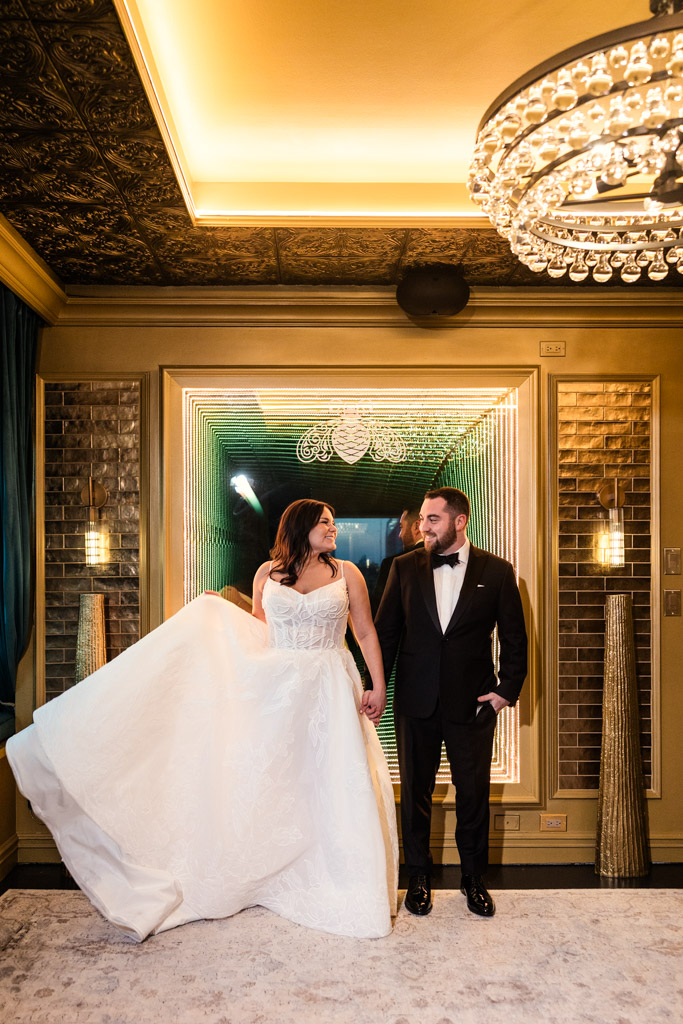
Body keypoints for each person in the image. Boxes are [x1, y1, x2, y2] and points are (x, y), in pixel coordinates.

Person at [7, 499, 398, 940]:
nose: (334, 530)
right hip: (278, 694)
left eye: (334, 522)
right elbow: (258, 630)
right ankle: (271, 871)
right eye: (326, 523)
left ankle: (340, 877)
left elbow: (364, 631)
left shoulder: (347, 573)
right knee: (279, 783)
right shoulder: (267, 574)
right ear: (300, 526)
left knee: (332, 781)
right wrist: (219, 613)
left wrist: (377, 685)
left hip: (330, 684)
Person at [375, 486, 527, 919]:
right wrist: (377, 688)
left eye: (433, 519)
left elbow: (514, 637)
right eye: (422, 519)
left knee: (474, 794)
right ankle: (418, 876)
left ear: (459, 521)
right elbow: (386, 634)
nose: (422, 526)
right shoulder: (402, 568)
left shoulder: (497, 571)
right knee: (415, 794)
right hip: (415, 701)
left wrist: (504, 691)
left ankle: (473, 878)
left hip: (474, 704)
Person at [370, 506, 423, 617]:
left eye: (401, 527)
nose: (400, 535)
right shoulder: (451, 558)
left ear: (417, 526)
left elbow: (380, 611)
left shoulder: (394, 563)